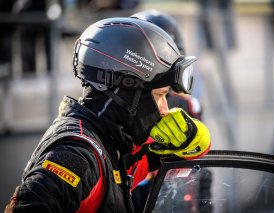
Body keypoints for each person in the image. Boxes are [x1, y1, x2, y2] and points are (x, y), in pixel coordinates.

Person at [5, 17, 211, 213]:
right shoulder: (75, 156)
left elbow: (191, 154)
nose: (165, 108)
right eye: (159, 95)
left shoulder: (117, 147)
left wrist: (191, 134)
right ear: (127, 93)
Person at [130, 10, 204, 212]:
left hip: (176, 196)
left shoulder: (189, 106)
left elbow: (200, 166)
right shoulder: (126, 102)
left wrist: (204, 206)